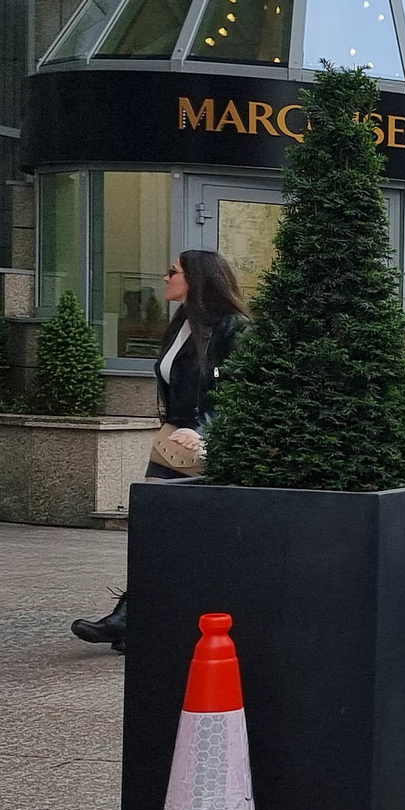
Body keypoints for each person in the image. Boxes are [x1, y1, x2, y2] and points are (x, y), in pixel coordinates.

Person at [70, 250, 249, 651]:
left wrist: (209, 435)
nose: (165, 278)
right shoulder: (181, 324)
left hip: (205, 442)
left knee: (182, 535)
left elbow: (239, 390)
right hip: (174, 436)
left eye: (174, 272)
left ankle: (136, 618)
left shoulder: (233, 329)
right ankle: (133, 618)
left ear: (198, 280)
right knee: (154, 526)